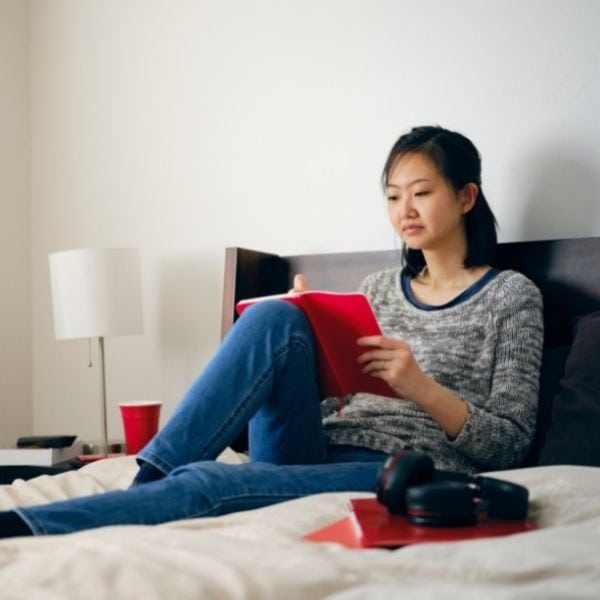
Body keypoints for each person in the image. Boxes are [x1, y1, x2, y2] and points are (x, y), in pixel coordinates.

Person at [0, 125, 543, 538]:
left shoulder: (510, 296)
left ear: (466, 197)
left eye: (421, 192)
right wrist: (313, 335)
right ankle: (150, 482)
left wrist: (420, 386)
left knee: (211, 482)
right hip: (317, 442)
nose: (405, 209)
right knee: (274, 316)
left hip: (398, 468)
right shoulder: (376, 288)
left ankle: (25, 526)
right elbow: (334, 403)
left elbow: (512, 448)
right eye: (393, 195)